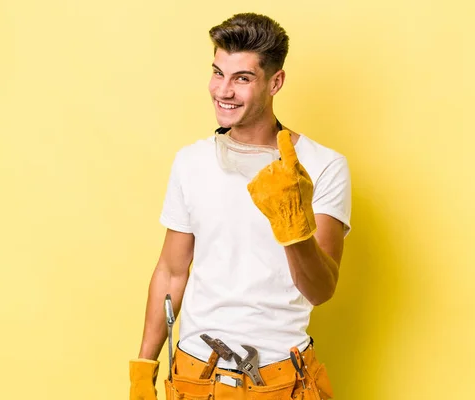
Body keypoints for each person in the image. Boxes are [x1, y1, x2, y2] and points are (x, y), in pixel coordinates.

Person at [129, 12, 352, 400]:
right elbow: (171, 271)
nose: (224, 91)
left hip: (281, 381)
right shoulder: (191, 161)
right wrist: (143, 369)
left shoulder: (322, 166)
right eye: (218, 73)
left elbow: (321, 290)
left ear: (275, 82)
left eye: (242, 78)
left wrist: (292, 224)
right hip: (196, 377)